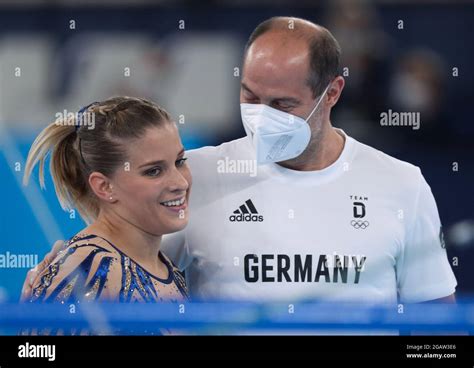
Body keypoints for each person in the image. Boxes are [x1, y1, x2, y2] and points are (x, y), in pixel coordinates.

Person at [23, 17, 456, 308]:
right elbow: (114, 258)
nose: (261, 114)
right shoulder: (194, 175)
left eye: (283, 103)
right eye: (250, 96)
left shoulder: (401, 184)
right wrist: (52, 293)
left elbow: (437, 330)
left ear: (332, 93)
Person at [22, 97, 190, 313]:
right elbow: (33, 348)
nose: (180, 183)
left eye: (180, 162)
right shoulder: (87, 269)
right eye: (153, 171)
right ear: (104, 187)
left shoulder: (162, 264)